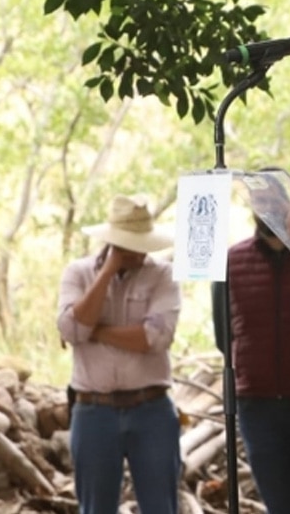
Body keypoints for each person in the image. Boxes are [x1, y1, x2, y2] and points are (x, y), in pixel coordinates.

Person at [56, 194, 182, 514]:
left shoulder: (163, 275)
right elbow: (70, 331)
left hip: (151, 408)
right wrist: (107, 272)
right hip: (93, 410)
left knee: (161, 506)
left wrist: (95, 331)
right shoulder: (78, 273)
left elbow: (153, 337)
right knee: (95, 507)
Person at [211, 211, 290, 514]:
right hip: (257, 406)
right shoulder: (232, 261)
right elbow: (223, 335)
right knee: (278, 505)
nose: (266, 210)